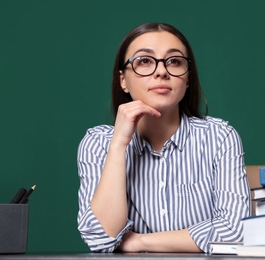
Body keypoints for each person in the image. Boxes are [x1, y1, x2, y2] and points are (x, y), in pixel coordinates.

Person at [77, 22, 250, 253]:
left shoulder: (220, 138)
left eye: (175, 61)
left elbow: (235, 233)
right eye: (144, 61)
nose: (161, 71)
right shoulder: (97, 143)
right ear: (123, 80)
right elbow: (100, 239)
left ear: (187, 79)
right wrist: (118, 144)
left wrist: (139, 242)